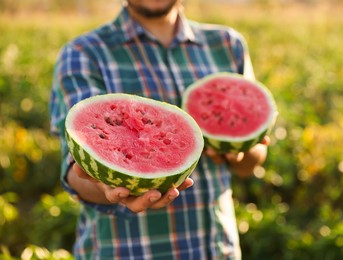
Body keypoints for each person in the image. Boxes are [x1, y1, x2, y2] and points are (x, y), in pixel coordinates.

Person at [50, 0, 269, 259]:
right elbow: (75, 168)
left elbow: (253, 155)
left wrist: (240, 151)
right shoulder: (82, 53)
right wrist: (107, 188)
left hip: (216, 250)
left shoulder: (227, 45)